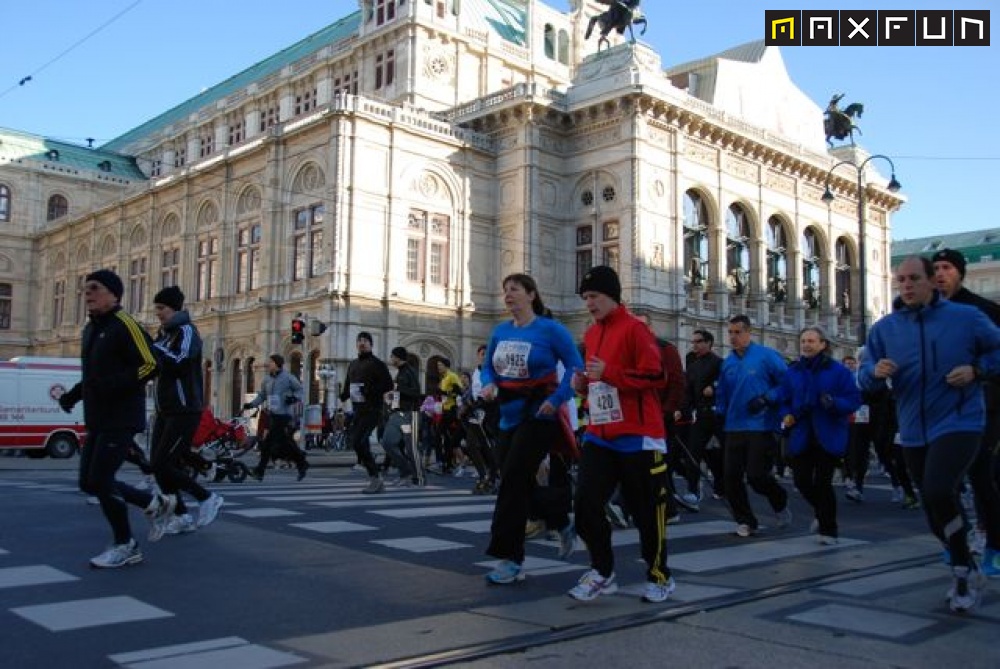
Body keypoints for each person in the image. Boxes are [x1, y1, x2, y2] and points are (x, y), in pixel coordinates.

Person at [859, 256, 1000, 613]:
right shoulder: (885, 329)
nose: (906, 285)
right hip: (913, 428)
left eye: (913, 278)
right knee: (932, 504)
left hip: (960, 420)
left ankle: (961, 568)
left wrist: (977, 369)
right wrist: (875, 372)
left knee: (940, 488)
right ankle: (962, 555)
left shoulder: (966, 318)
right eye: (900, 279)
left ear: (930, 281)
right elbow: (862, 379)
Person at [570, 266, 674, 603]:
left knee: (645, 511)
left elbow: (656, 377)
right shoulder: (591, 334)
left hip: (639, 436)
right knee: (585, 504)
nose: (589, 303)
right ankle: (602, 570)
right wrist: (584, 385)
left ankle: (660, 576)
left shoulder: (636, 330)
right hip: (600, 434)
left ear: (612, 295)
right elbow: (598, 380)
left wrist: (609, 373)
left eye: (594, 296)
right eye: (585, 298)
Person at [57, 269, 175, 568]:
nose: (88, 294)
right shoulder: (90, 330)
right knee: (88, 482)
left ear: (113, 293)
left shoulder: (125, 324)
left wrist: (115, 385)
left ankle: (126, 544)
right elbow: (94, 377)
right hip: (97, 416)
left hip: (121, 416)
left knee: (100, 479)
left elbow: (151, 364)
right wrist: (74, 395)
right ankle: (152, 502)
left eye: (94, 288)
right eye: (85, 289)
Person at [480, 273, 583, 585]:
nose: (508, 295)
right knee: (514, 478)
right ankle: (560, 519)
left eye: (514, 290)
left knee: (512, 481)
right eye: (505, 290)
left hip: (540, 414)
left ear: (531, 294)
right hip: (507, 414)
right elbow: (488, 368)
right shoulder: (499, 331)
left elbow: (576, 368)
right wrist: (488, 386)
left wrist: (557, 399)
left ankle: (509, 560)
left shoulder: (550, 330)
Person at [932, 248, 1000, 577]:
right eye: (936, 268)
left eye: (946, 267)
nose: (940, 273)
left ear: (960, 272)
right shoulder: (924, 315)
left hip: (984, 405)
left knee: (983, 478)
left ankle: (994, 545)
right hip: (941, 408)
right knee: (942, 483)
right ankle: (957, 539)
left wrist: (977, 369)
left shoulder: (983, 311)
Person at [149, 286, 224, 536]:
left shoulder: (187, 331)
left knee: (164, 463)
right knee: (157, 465)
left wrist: (153, 348)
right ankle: (181, 515)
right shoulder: (164, 334)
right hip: (165, 410)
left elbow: (179, 361)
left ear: (175, 308)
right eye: (156, 308)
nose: (157, 313)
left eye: (161, 308)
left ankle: (207, 497)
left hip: (184, 409)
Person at [777, 327, 861, 544]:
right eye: (803, 340)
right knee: (801, 480)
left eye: (811, 341)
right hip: (802, 432)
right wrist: (786, 414)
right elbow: (783, 398)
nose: (806, 344)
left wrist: (834, 403)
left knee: (823, 482)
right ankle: (821, 512)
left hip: (828, 432)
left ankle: (829, 530)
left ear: (823, 344)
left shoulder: (838, 371)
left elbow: (853, 399)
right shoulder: (793, 371)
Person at [715, 314, 791, 538]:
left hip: (761, 425)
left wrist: (768, 398)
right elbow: (722, 394)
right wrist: (719, 413)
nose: (733, 337)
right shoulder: (728, 362)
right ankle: (746, 521)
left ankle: (779, 499)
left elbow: (786, 383)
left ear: (749, 332)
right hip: (734, 426)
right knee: (730, 477)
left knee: (757, 476)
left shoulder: (767, 356)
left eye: (738, 332)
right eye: (730, 332)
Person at [340, 332, 394, 493]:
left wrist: (370, 390)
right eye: (359, 341)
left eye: (365, 341)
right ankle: (376, 478)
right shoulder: (353, 364)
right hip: (358, 409)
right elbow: (349, 383)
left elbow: (388, 384)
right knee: (358, 443)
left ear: (371, 344)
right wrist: (344, 394)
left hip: (373, 409)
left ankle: (375, 478)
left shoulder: (377, 364)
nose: (362, 343)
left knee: (359, 442)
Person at [676, 329, 726, 500]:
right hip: (702, 416)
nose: (694, 345)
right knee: (693, 452)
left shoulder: (719, 362)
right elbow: (688, 393)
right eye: (693, 342)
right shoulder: (693, 366)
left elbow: (727, 381)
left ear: (708, 343)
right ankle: (692, 490)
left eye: (698, 341)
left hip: (718, 415)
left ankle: (723, 485)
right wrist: (681, 410)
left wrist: (715, 387)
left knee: (722, 453)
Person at [244, 354, 308, 481]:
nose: (269, 365)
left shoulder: (288, 378)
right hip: (272, 415)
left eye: (271, 362)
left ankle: (260, 471)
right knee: (284, 444)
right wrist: (251, 404)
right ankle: (301, 462)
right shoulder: (266, 380)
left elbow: (300, 390)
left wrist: (293, 398)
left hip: (284, 416)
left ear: (278, 364)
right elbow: (262, 395)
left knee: (268, 444)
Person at [380, 346, 422, 487]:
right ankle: (406, 471)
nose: (391, 359)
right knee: (387, 442)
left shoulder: (410, 371)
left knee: (411, 448)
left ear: (398, 357)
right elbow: (398, 395)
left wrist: (397, 389)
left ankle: (418, 478)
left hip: (411, 414)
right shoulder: (399, 373)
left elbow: (416, 393)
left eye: (392, 356)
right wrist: (391, 400)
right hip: (397, 413)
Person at [436, 358, 465, 474]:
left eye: (440, 365)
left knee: (441, 435)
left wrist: (446, 393)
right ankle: (446, 464)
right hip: (445, 409)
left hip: (452, 410)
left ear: (446, 366)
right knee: (445, 437)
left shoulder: (452, 376)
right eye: (438, 365)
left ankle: (445, 462)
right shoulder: (443, 378)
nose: (438, 367)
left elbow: (459, 391)